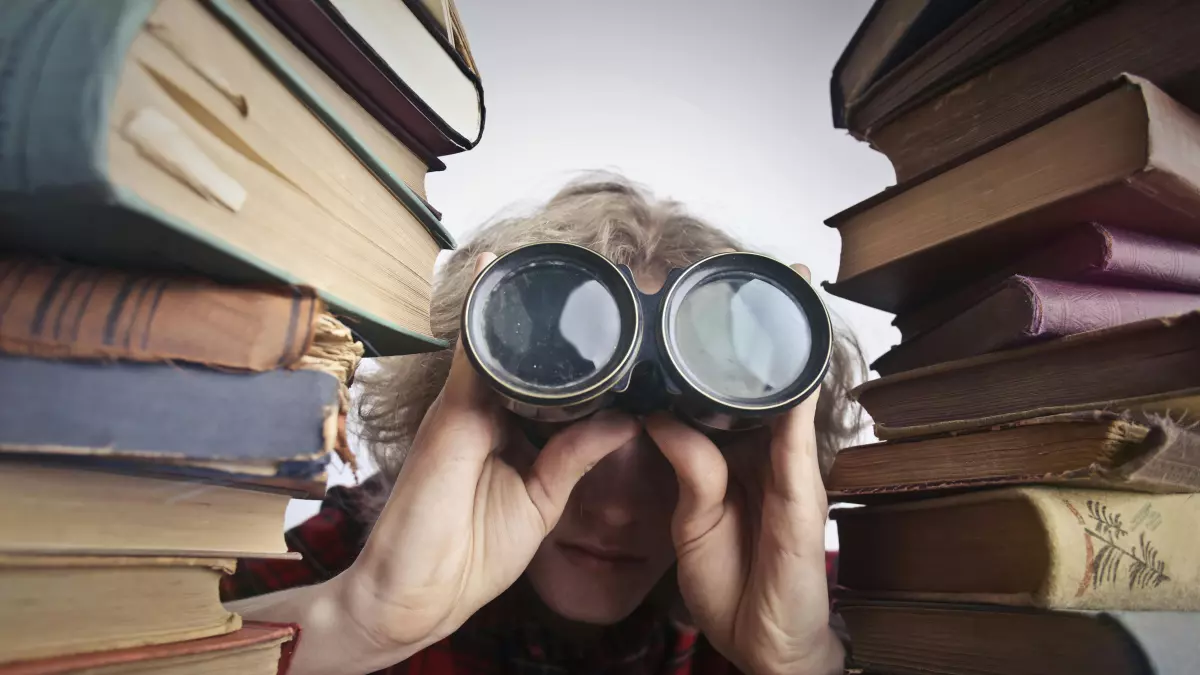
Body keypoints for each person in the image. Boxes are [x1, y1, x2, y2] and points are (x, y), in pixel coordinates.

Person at [222, 174, 866, 675]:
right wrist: (352, 621)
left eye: (667, 466)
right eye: (565, 425)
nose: (614, 512)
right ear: (478, 418)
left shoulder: (830, 602)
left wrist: (803, 662)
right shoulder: (342, 559)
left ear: (758, 460)